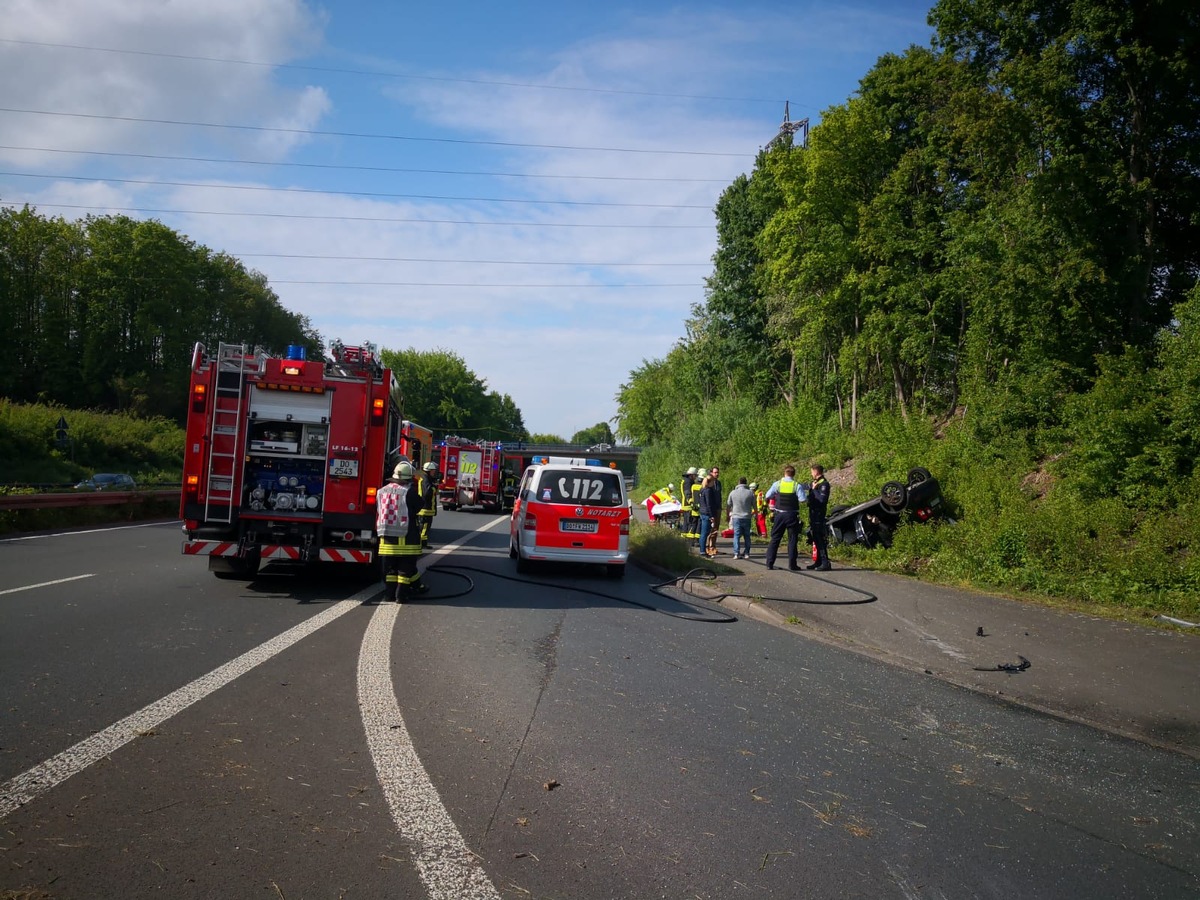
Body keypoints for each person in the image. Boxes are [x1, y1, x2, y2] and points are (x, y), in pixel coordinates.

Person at [376, 461, 428, 600]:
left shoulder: (382, 491)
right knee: (405, 569)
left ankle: (389, 595)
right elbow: (419, 505)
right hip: (407, 538)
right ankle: (401, 595)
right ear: (408, 478)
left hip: (386, 538)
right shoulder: (409, 492)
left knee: (390, 570)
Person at [764, 464, 807, 571]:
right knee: (792, 540)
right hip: (792, 515)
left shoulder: (777, 484)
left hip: (779, 515)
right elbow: (802, 500)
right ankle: (792, 565)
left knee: (775, 539)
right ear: (794, 474)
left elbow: (768, 495)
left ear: (784, 473)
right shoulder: (796, 485)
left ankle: (769, 563)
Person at [807, 464, 832, 571]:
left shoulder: (824, 484)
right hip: (813, 513)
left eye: (812, 472)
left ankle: (825, 562)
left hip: (819, 514)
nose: (811, 474)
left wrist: (814, 490)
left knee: (820, 538)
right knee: (815, 537)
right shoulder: (816, 483)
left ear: (816, 472)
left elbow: (822, 500)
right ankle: (818, 561)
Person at [726, 476, 755, 559]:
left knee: (736, 536)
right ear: (746, 483)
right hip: (747, 517)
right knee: (747, 536)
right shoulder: (750, 493)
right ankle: (747, 553)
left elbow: (728, 505)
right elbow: (754, 505)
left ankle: (736, 553)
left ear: (738, 483)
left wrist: (728, 515)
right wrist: (755, 513)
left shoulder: (733, 492)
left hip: (736, 517)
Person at [417, 461, 440, 548]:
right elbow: (427, 493)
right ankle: (422, 543)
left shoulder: (426, 479)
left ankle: (423, 543)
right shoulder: (425, 480)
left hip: (426, 508)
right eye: (433, 471)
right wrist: (434, 488)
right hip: (425, 508)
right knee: (424, 527)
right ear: (429, 471)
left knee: (425, 527)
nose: (434, 472)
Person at [697, 474, 718, 558]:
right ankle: (702, 551)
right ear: (710, 482)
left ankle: (702, 550)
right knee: (705, 533)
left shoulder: (702, 489)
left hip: (702, 512)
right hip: (706, 513)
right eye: (713, 481)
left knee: (703, 533)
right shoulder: (708, 491)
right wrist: (711, 516)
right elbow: (709, 504)